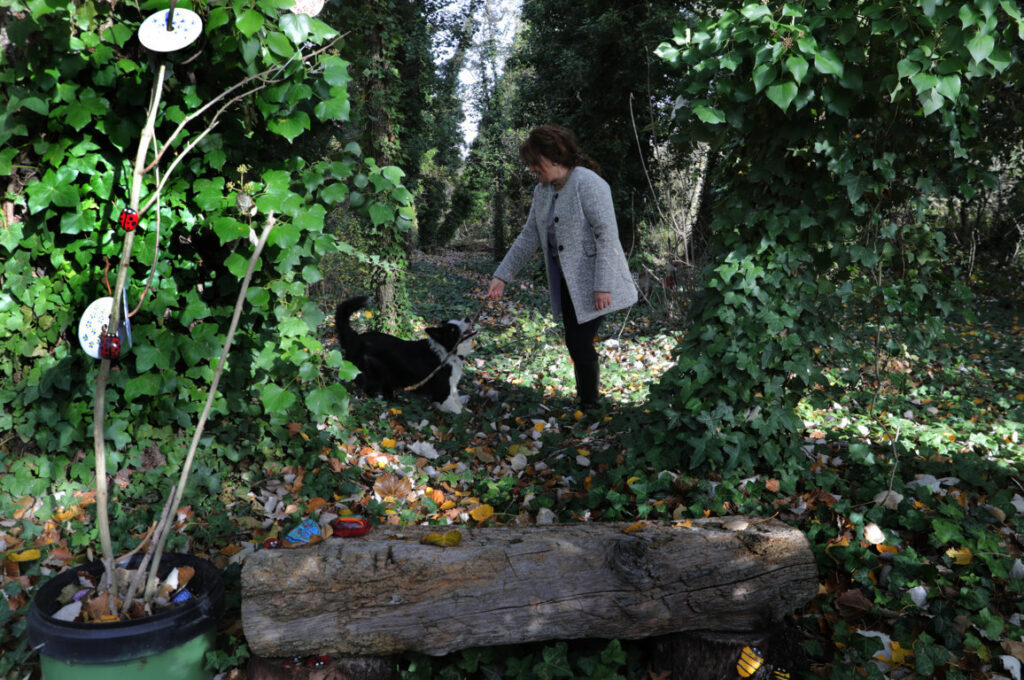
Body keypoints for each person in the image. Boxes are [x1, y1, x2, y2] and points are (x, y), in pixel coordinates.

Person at [486, 125, 637, 412]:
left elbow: (607, 235)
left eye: (536, 163)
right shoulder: (542, 191)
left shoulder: (588, 183)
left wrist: (603, 285)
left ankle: (590, 404)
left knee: (578, 340)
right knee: (574, 340)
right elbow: (529, 236)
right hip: (567, 282)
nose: (532, 169)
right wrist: (501, 276)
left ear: (555, 158)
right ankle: (586, 399)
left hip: (595, 281)